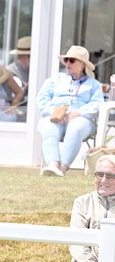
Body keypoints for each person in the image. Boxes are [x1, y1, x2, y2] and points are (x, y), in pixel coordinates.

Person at [36, 45, 102, 176]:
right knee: (48, 128)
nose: (68, 63)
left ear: (82, 65)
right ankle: (52, 165)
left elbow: (97, 104)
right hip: (55, 117)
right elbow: (41, 100)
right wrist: (55, 113)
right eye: (66, 60)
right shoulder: (55, 80)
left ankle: (62, 168)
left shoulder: (94, 84)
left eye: (72, 60)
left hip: (80, 118)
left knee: (76, 127)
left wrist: (76, 113)